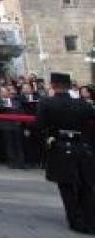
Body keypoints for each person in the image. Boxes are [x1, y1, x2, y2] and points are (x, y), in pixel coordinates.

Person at [35, 72, 95, 234]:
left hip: (61, 146)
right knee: (86, 185)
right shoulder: (83, 104)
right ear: (69, 86)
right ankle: (90, 219)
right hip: (83, 147)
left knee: (66, 186)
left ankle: (75, 220)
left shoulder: (46, 103)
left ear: (53, 85)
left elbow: (39, 125)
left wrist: (49, 138)